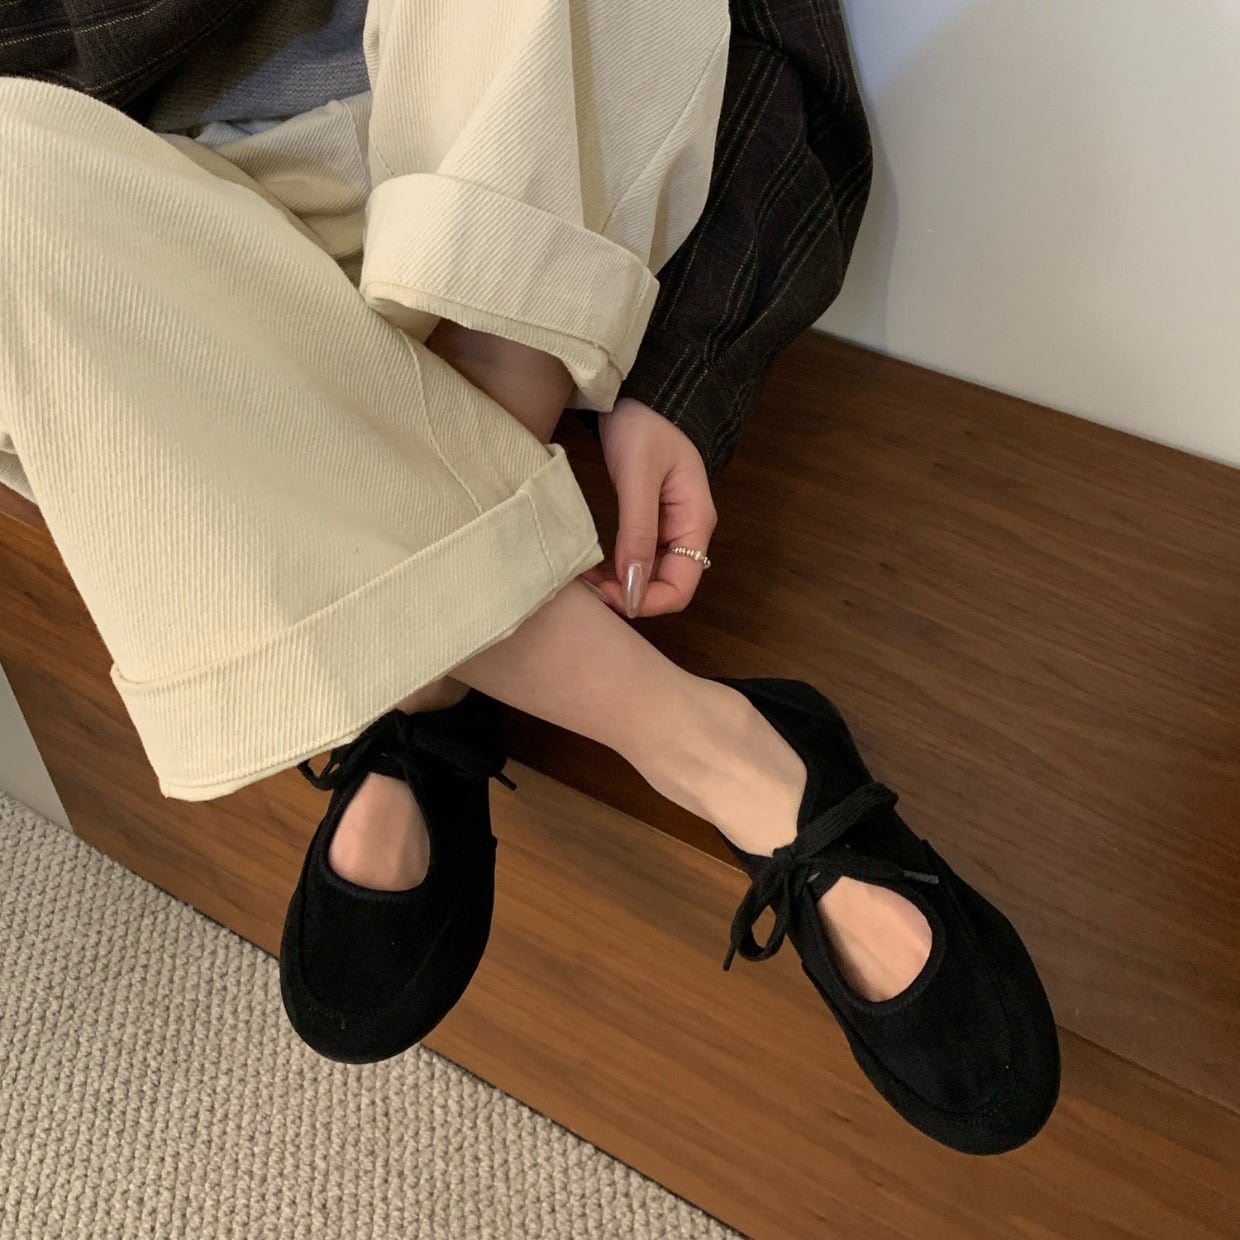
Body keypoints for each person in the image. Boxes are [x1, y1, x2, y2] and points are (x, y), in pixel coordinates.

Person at [0, 0, 1059, 1154]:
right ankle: (703, 744)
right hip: (174, 220)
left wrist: (683, 370)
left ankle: (429, 676)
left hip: (503, 186)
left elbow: (775, 36)